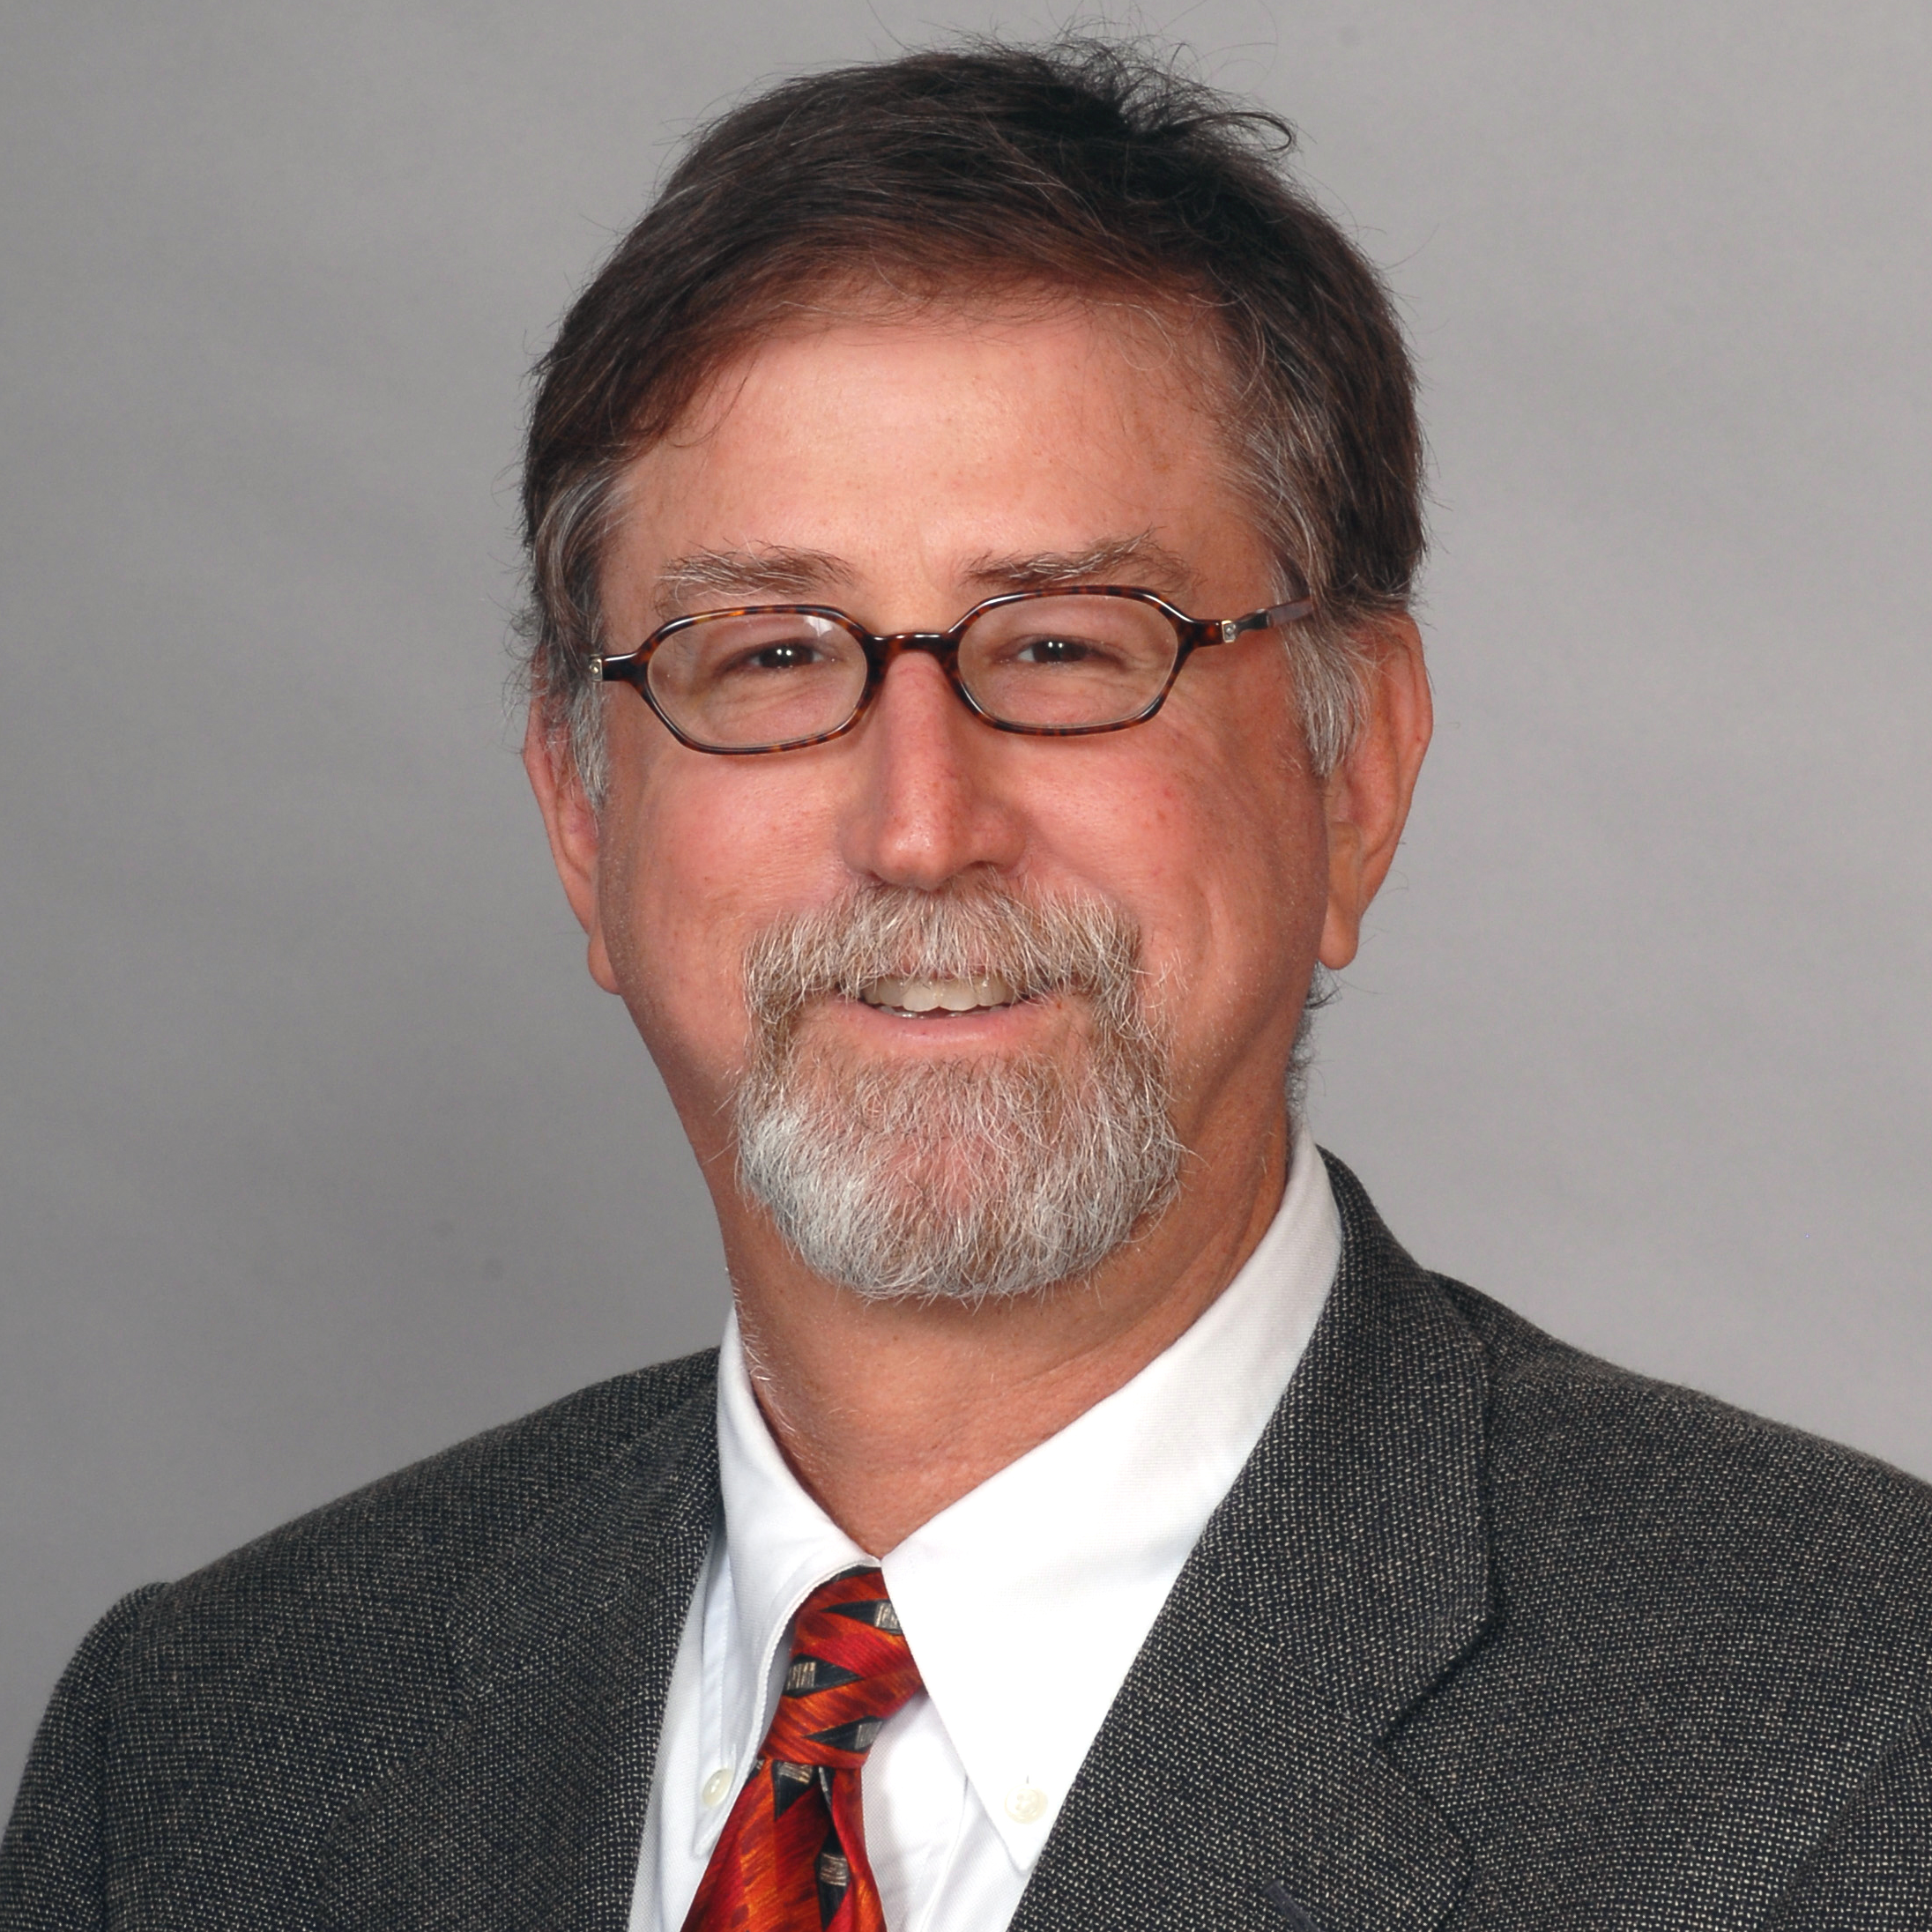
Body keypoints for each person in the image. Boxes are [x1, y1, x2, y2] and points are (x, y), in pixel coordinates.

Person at [4, 36, 1929, 1932]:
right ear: (584, 818)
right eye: (770, 655)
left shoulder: (1861, 1745)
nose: (922, 827)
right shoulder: (189, 1763)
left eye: (1069, 645)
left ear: (1355, 770)